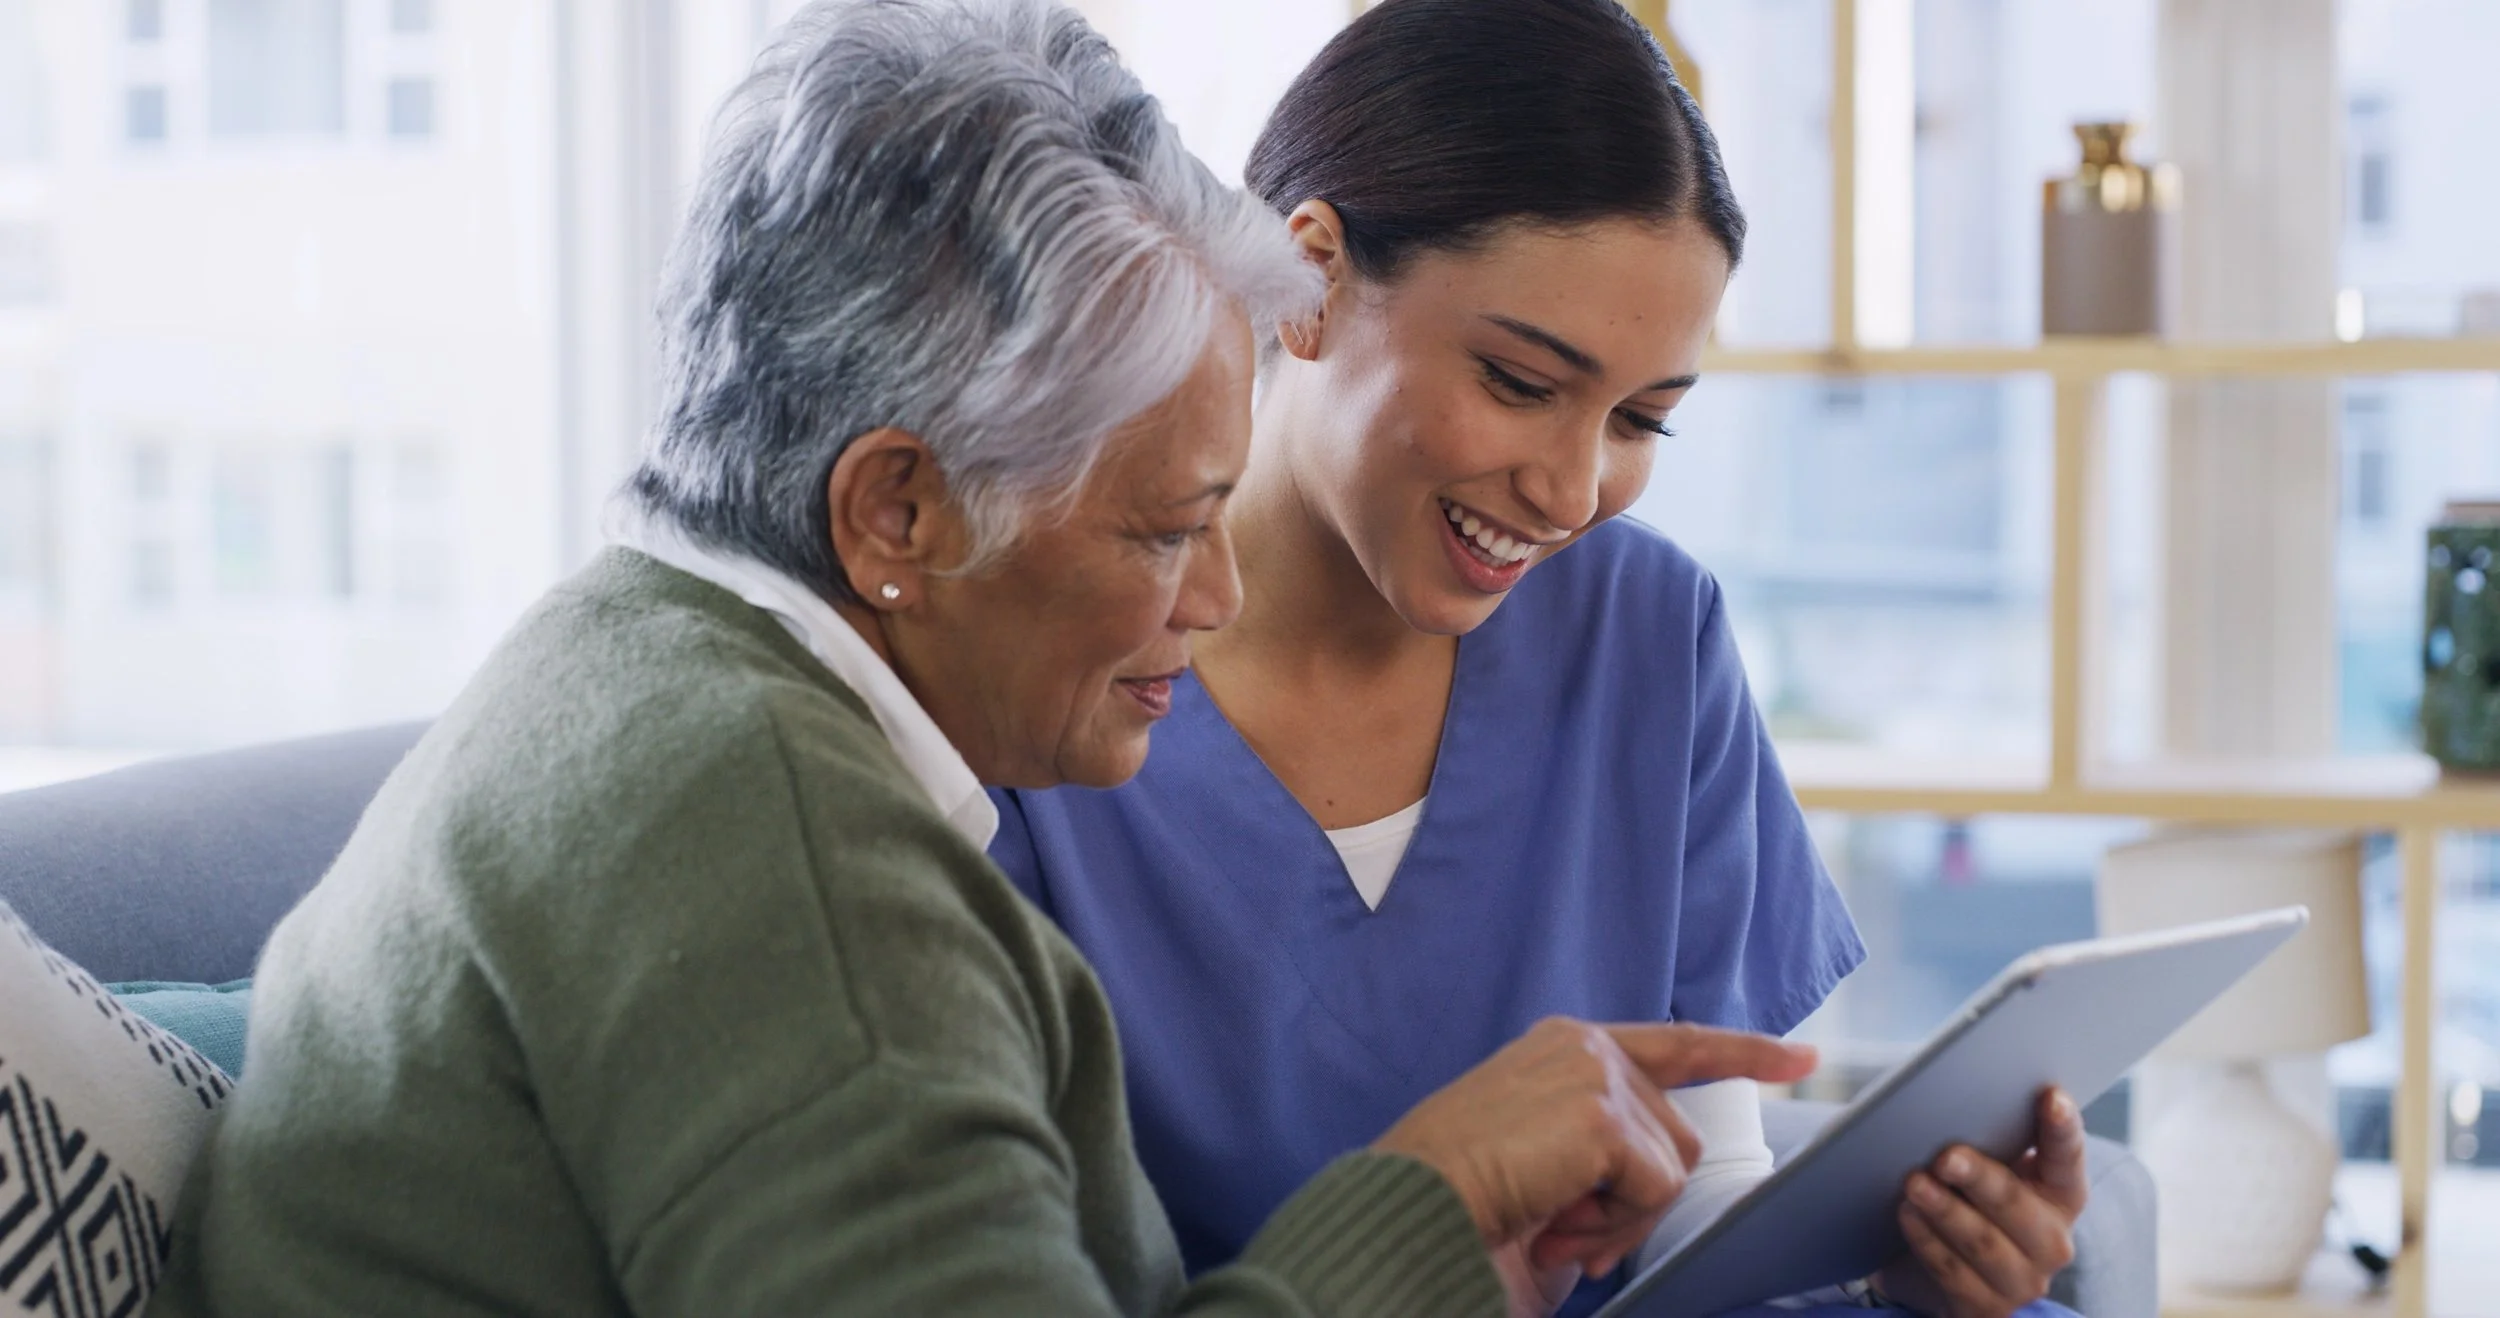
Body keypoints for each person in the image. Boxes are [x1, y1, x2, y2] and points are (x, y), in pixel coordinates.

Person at [150, 2, 1823, 1315]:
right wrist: (1430, 1205)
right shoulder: (778, 860)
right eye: (1166, 529)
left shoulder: (634, 676)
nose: (1217, 596)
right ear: (896, 511)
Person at [987, 2, 2088, 1316]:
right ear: (1312, 279)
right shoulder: (1047, 661)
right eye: (1518, 381)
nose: (1571, 489)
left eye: (1640, 420)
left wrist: (1904, 1275)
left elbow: (1706, 1209)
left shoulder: (1648, 634)